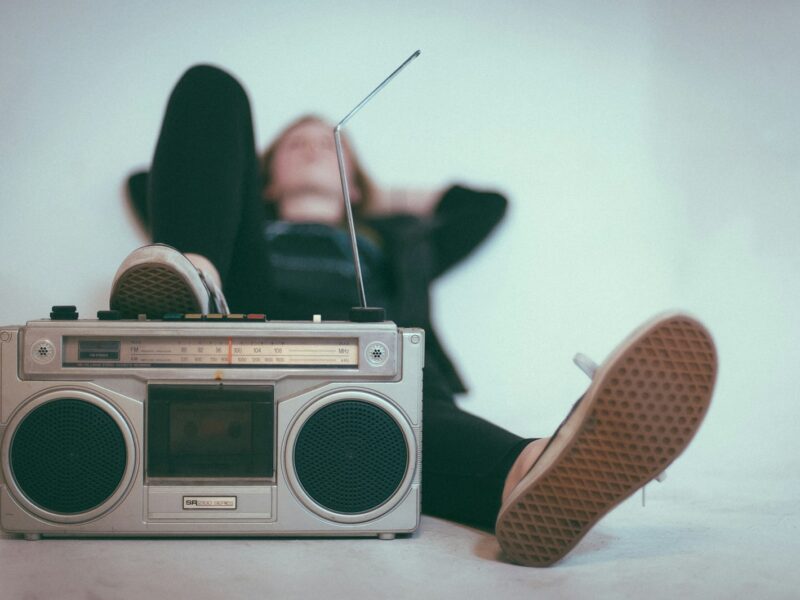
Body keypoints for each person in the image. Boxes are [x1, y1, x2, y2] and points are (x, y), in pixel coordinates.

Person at [113, 64, 718, 567]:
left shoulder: (401, 241)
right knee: (211, 85)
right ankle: (195, 283)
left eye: (331, 145)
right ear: (263, 174)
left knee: (412, 408)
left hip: (375, 372)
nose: (311, 147)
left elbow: (485, 207)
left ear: (356, 185)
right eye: (295, 145)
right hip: (248, 333)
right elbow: (153, 181)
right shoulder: (245, 230)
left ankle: (535, 472)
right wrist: (235, 202)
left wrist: (375, 196)